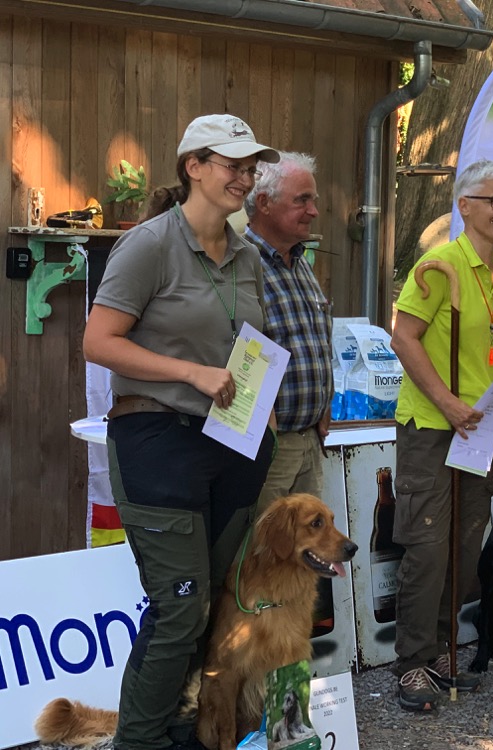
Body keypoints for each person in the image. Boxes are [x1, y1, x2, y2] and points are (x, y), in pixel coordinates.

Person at [82, 114, 279, 750]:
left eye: (252, 168)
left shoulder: (248, 255)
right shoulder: (148, 244)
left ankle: (179, 727)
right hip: (157, 440)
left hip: (234, 444)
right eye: (233, 166)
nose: (245, 178)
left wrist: (265, 411)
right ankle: (138, 741)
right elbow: (97, 342)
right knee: (180, 606)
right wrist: (190, 372)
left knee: (211, 603)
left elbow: (247, 345)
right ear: (193, 166)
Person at [389, 159, 493, 712]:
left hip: (478, 434)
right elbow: (403, 338)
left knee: (462, 548)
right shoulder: (441, 265)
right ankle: (412, 663)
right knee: (429, 548)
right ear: (465, 206)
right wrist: (447, 403)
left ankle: (440, 650)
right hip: (433, 429)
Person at [244, 152, 331, 509]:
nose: (313, 211)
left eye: (313, 200)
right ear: (264, 203)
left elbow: (313, 340)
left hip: (309, 439)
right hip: (268, 444)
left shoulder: (299, 261)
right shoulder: (239, 262)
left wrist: (324, 400)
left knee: (308, 543)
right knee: (263, 542)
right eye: (302, 200)